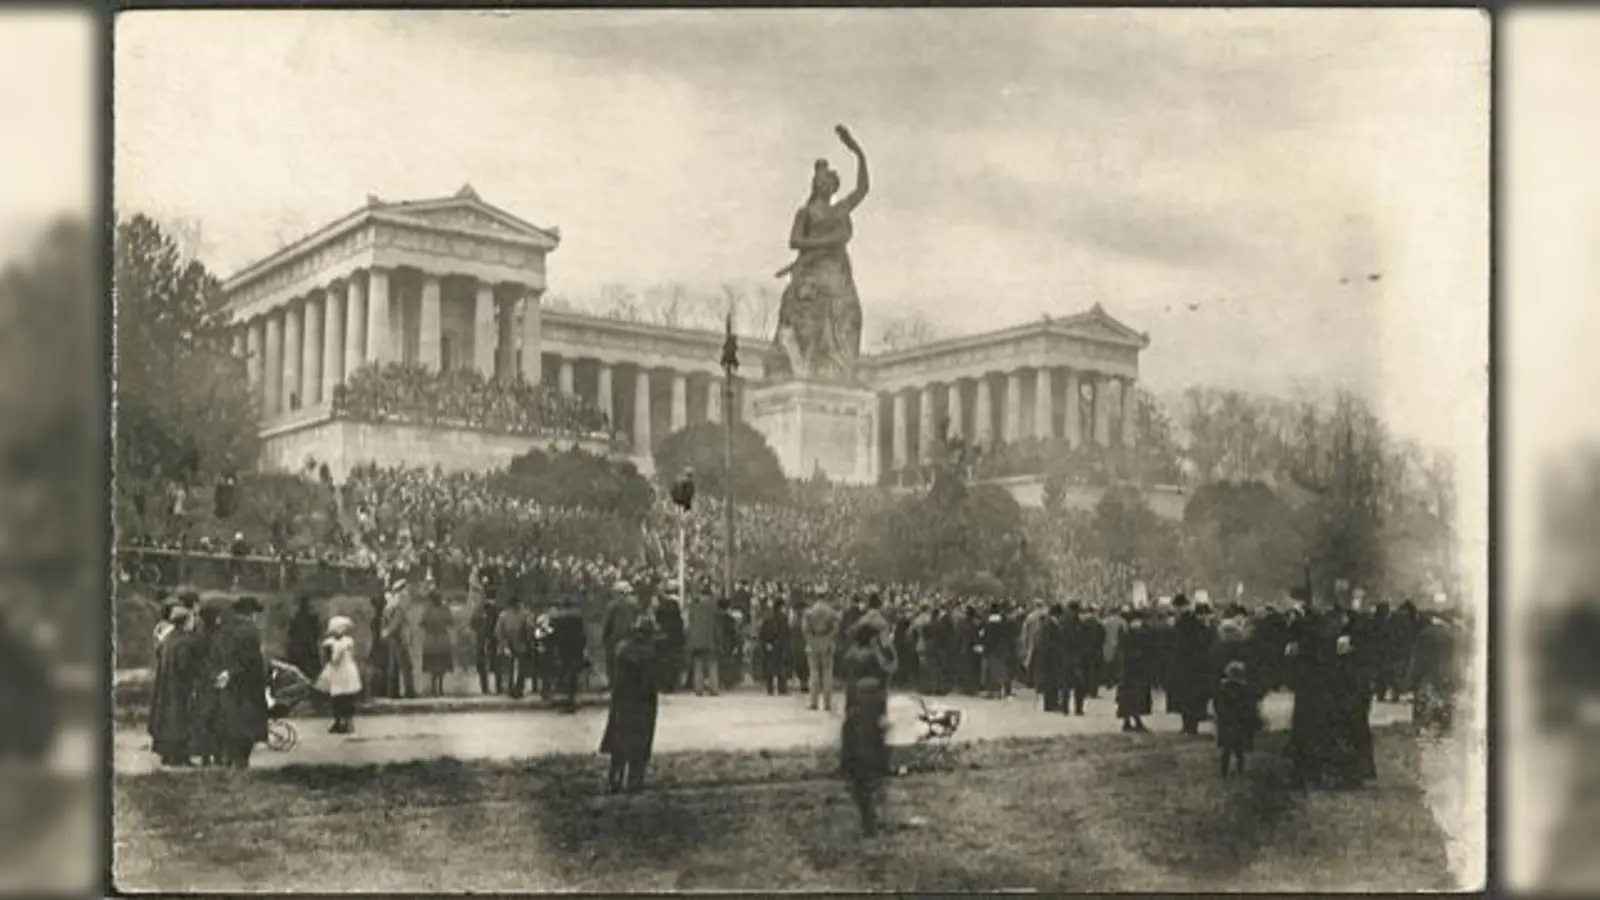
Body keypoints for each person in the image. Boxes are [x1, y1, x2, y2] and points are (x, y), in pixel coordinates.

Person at [196, 596, 269, 769]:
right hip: (247, 683)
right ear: (251, 613)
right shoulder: (250, 630)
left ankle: (228, 758)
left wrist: (223, 673)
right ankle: (241, 761)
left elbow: (214, 655)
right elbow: (253, 660)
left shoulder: (223, 629)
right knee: (248, 722)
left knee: (228, 720)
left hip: (225, 682)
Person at [839, 621, 895, 836]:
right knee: (873, 763)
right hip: (871, 709)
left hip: (854, 708)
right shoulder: (873, 657)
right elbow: (890, 669)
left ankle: (868, 817)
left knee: (857, 765)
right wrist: (885, 648)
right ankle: (871, 819)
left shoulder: (850, 655)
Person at [599, 617, 661, 794]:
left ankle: (614, 779)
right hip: (642, 703)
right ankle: (635, 781)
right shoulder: (649, 654)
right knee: (640, 742)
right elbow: (650, 682)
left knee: (619, 741)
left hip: (622, 700)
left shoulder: (622, 649)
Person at [147, 605, 202, 766]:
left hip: (165, 686)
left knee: (167, 720)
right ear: (185, 622)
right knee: (180, 720)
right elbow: (185, 666)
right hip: (179, 687)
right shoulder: (184, 642)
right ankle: (180, 757)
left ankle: (167, 755)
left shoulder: (169, 639)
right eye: (191, 620)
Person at [1213, 661, 1262, 777]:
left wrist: (1219, 714)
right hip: (1239, 721)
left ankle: (1224, 771)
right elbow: (1249, 705)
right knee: (1238, 749)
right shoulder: (1244, 689)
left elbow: (1216, 703)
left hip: (1225, 720)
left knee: (1226, 749)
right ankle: (1240, 770)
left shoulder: (1222, 687)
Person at [315, 615, 362, 734]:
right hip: (337, 672)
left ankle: (347, 723)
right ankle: (340, 722)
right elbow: (330, 659)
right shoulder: (330, 643)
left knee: (345, 697)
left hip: (345, 671)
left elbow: (336, 658)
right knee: (338, 698)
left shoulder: (347, 641)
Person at [802, 589, 841, 712]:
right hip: (827, 645)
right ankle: (827, 703)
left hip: (813, 645)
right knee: (827, 674)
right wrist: (828, 639)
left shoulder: (809, 612)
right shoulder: (831, 612)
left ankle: (813, 701)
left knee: (813, 673)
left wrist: (812, 641)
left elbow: (805, 630)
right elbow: (836, 629)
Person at [1117, 610, 1155, 733]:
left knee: (1128, 697)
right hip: (1138, 671)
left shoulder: (1126, 633)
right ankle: (1134, 721)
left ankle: (1128, 721)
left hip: (1128, 671)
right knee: (1136, 697)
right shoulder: (1141, 634)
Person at [419, 591, 455, 697]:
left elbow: (422, 623)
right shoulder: (444, 610)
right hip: (441, 639)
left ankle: (435, 687)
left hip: (431, 640)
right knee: (440, 666)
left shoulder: (428, 610)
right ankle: (439, 687)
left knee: (433, 666)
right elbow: (451, 622)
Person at [686, 587, 721, 696]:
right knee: (712, 664)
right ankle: (713, 688)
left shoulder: (695, 607)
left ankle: (698, 688)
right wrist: (718, 639)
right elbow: (717, 626)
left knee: (698, 664)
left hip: (697, 641)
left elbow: (690, 624)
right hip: (710, 640)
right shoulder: (714, 607)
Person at [470, 594, 502, 695]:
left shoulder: (495, 613)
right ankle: (487, 688)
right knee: (484, 665)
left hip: (491, 641)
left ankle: (496, 687)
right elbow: (473, 624)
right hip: (485, 640)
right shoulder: (480, 612)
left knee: (495, 664)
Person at [759, 598, 792, 695]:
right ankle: (782, 689)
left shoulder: (767, 617)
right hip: (780, 645)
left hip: (769, 645)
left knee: (769, 667)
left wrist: (766, 643)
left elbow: (762, 632)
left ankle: (770, 689)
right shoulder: (783, 618)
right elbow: (786, 633)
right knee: (781, 668)